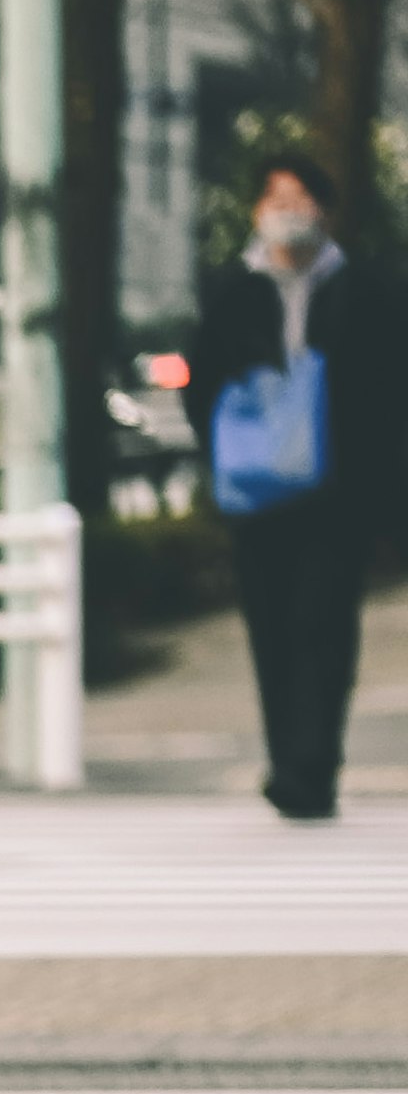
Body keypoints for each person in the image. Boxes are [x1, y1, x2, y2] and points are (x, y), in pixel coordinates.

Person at [190, 144, 402, 823]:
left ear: (326, 210)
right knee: (272, 629)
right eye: (276, 201)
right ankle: (288, 759)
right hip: (257, 494)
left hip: (337, 494)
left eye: (301, 200)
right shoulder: (233, 292)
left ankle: (312, 766)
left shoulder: (368, 291)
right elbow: (201, 387)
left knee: (322, 624)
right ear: (257, 211)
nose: (289, 214)